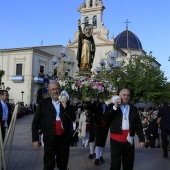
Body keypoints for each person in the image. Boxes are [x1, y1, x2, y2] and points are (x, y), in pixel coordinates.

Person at [32, 81, 76, 170]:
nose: (55, 91)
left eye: (57, 88)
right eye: (53, 89)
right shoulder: (43, 103)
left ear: (60, 90)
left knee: (63, 164)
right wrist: (35, 139)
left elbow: (73, 117)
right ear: (49, 91)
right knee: (49, 164)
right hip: (49, 138)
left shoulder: (67, 102)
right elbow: (35, 122)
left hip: (64, 139)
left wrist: (65, 106)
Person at [103, 89, 145, 170]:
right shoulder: (112, 106)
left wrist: (141, 139)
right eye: (124, 95)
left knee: (128, 165)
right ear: (119, 96)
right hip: (116, 141)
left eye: (128, 95)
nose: (126, 97)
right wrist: (115, 107)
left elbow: (138, 125)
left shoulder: (133, 109)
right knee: (115, 165)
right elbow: (105, 117)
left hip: (129, 141)